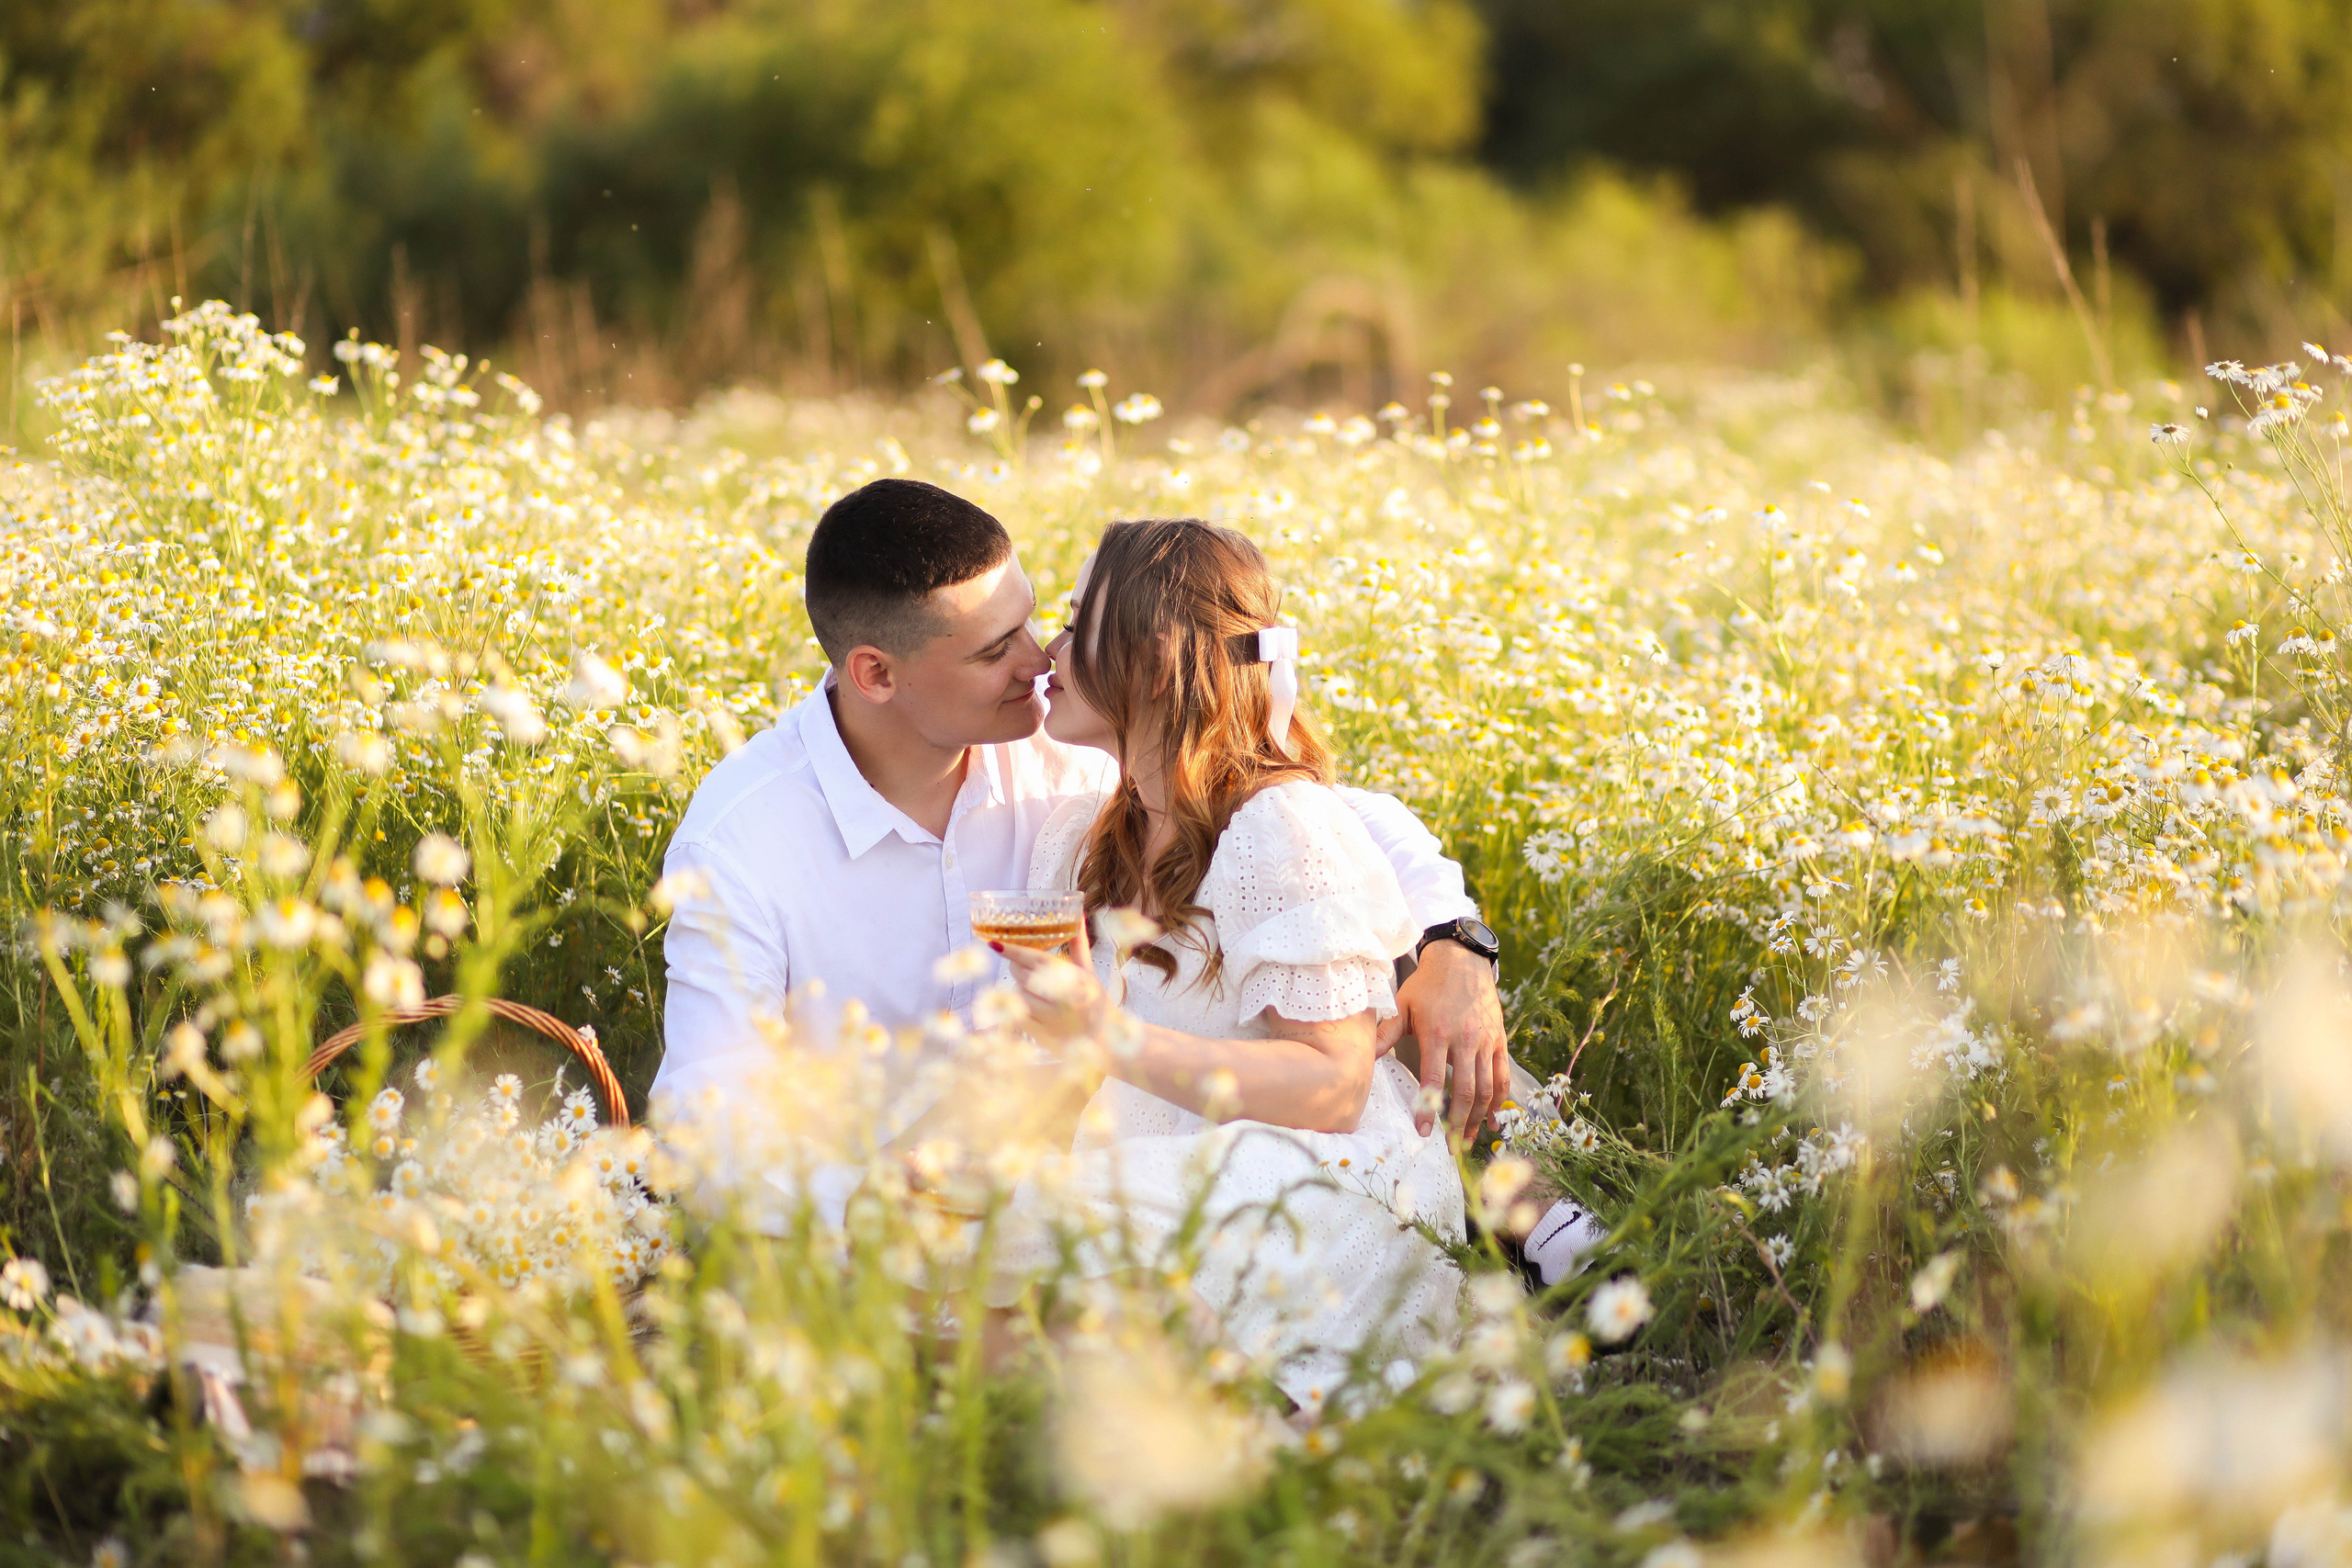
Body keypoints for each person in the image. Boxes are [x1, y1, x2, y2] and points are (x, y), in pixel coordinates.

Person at [649, 479, 1510, 1230]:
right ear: (876, 674)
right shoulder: (745, 843)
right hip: (898, 1204)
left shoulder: (1056, 733)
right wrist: (870, 1203)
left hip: (1107, 1167)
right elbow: (704, 1115)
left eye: (1034, 622)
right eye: (995, 650)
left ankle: (1527, 1220)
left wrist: (1455, 941)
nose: (1038, 662)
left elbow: (1303, 815)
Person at [987, 518, 1467, 1412]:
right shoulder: (1080, 839)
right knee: (967, 1257)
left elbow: (1333, 1086)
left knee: (1069, 1269)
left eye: (1075, 616)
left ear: (1152, 653)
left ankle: (1259, 1444)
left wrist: (1106, 1035)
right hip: (1154, 1182)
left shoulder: (1276, 826)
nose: (1049, 647)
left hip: (1309, 1185)